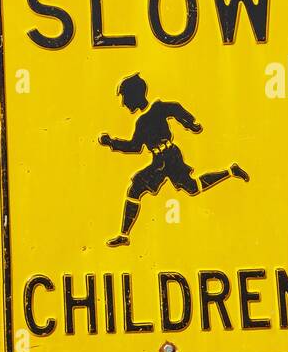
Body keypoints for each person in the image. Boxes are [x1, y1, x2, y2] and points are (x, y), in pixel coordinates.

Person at [99, 72, 249, 246]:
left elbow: (176, 108)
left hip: (169, 156)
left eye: (125, 97)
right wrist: (112, 143)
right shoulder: (141, 121)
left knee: (187, 188)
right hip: (160, 160)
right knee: (143, 189)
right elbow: (135, 146)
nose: (123, 102)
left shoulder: (156, 109)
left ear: (135, 94)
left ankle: (231, 171)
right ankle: (124, 236)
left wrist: (190, 123)